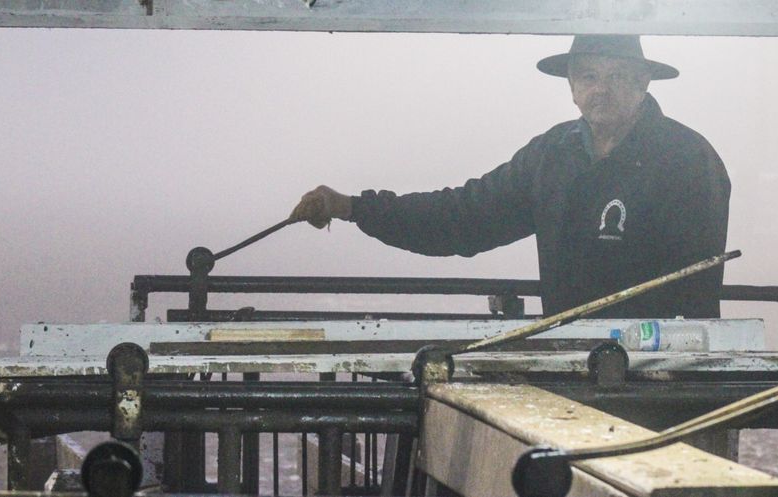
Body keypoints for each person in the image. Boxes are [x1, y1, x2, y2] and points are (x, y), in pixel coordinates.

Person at [290, 35, 730, 318]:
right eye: (589, 76)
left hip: (664, 378)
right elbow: (464, 216)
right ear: (572, 87)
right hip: (573, 366)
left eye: (617, 76)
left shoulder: (688, 159)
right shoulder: (550, 155)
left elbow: (691, 291)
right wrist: (354, 208)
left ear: (643, 82)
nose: (602, 89)